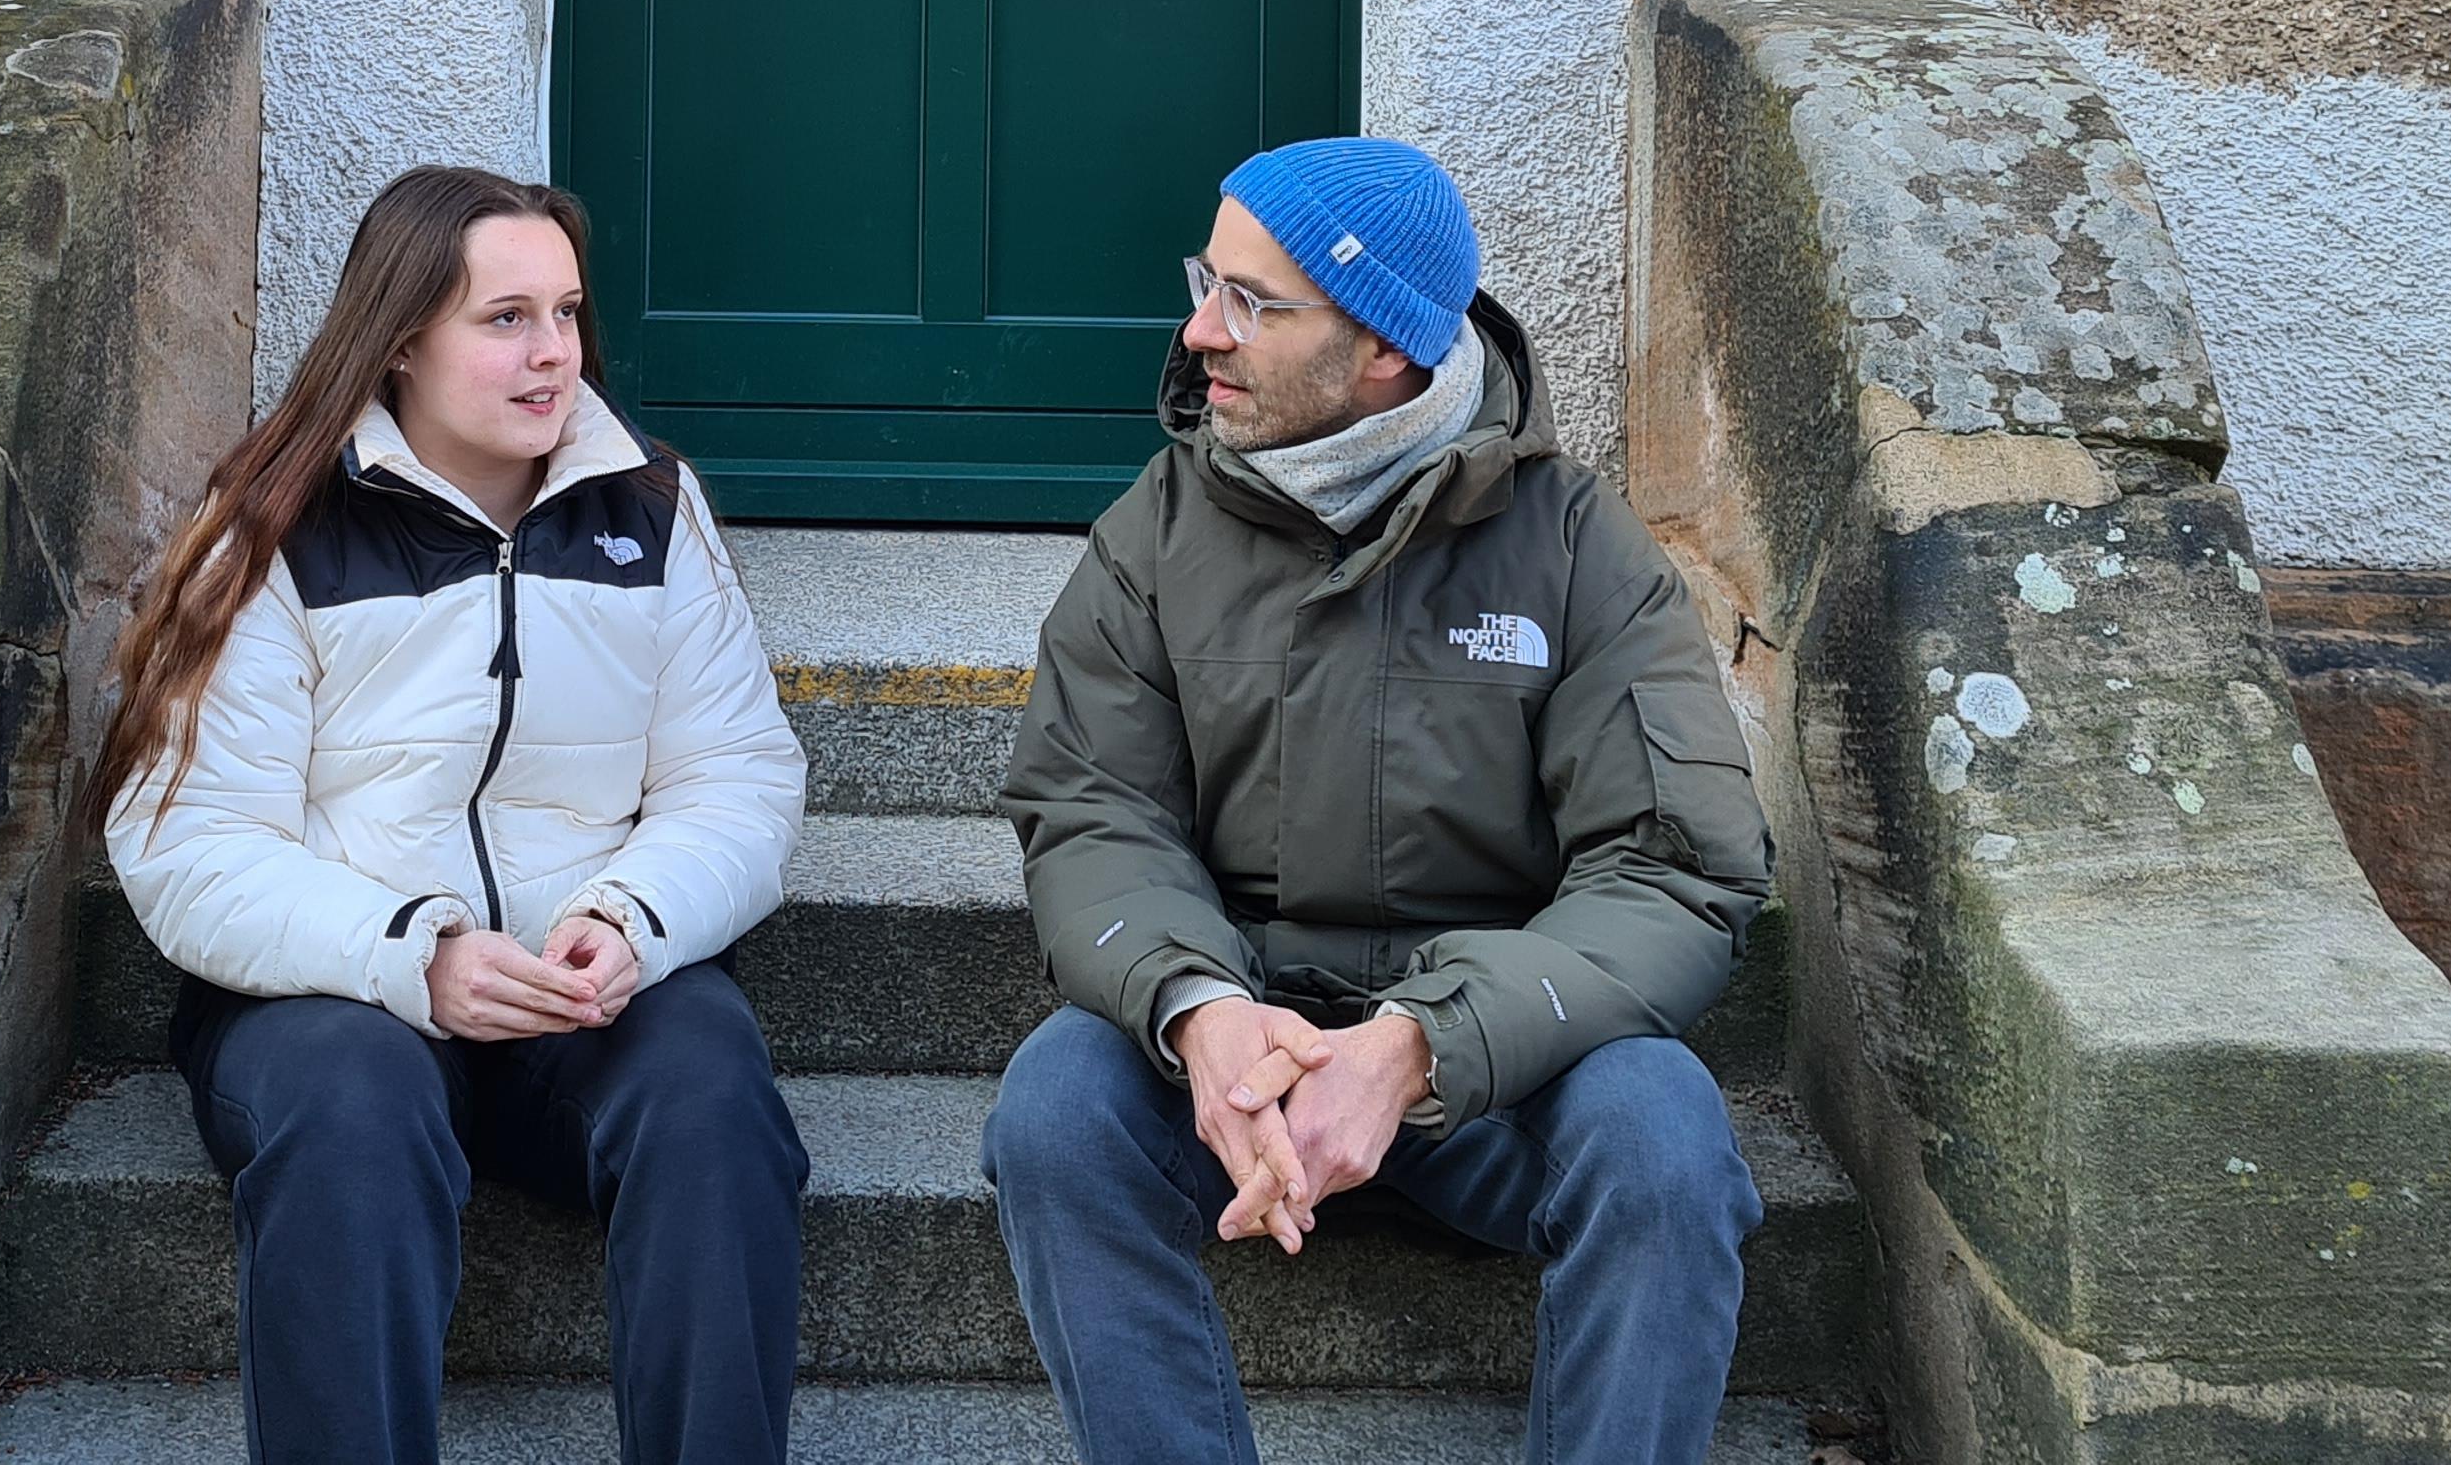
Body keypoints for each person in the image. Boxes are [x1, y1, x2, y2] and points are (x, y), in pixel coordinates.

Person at [982, 135, 1774, 1465]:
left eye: (1253, 303)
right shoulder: (1153, 536)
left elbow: (1675, 866)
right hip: (1244, 1046)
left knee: (1666, 1138)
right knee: (1057, 1110)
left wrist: (1422, 1044)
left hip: (1501, 1063)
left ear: (1387, 353)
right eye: (1207, 282)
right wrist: (1198, 1007)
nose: (1201, 333)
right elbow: (1092, 810)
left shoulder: (1576, 548)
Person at [99, 165, 809, 1465]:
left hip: (575, 986)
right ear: (400, 340)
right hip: (333, 991)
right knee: (351, 1115)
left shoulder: (651, 508)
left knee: (710, 1091)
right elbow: (186, 842)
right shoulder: (270, 530)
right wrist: (412, 952)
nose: (554, 354)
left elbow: (738, 777)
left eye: (568, 313)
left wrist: (632, 918)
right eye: (506, 319)